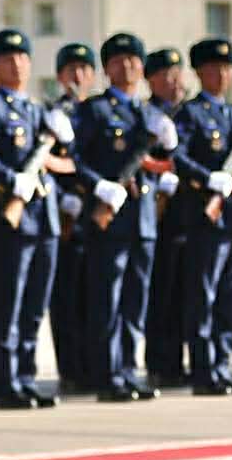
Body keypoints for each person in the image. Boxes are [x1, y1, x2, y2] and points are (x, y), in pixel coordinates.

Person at [0, 29, 72, 409]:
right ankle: (5, 379)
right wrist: (10, 179)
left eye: (23, 58)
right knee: (6, 304)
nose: (17, 65)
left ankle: (26, 375)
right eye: (9, 59)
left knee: (33, 306)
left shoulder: (36, 110)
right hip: (10, 219)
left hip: (43, 218)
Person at [74, 32, 179, 402]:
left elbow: (161, 163)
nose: (128, 66)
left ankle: (129, 370)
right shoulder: (95, 110)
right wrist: (98, 186)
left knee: (136, 299)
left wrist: (169, 148)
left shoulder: (150, 113)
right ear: (106, 68)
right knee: (108, 299)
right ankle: (107, 373)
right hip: (110, 217)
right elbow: (76, 158)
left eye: (134, 60)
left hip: (144, 218)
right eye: (119, 60)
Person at [169, 38, 232, 396]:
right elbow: (179, 156)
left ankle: (223, 364)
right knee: (203, 297)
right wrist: (208, 178)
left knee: (229, 297)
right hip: (207, 219)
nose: (222, 75)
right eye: (213, 69)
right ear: (199, 72)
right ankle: (204, 369)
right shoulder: (190, 114)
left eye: (226, 68)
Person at [47, 42, 97, 393]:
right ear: (60, 76)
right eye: (71, 70)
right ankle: (71, 369)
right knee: (66, 298)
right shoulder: (52, 114)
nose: (78, 76)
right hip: (67, 216)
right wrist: (63, 199)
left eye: (84, 69)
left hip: (99, 213)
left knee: (94, 298)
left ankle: (93, 364)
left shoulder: (99, 112)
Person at [142, 47, 191, 388]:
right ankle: (161, 363)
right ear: (152, 80)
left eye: (178, 74)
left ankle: (178, 360)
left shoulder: (187, 115)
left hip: (189, 215)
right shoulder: (148, 115)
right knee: (162, 292)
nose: (175, 82)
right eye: (167, 75)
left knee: (184, 294)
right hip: (158, 214)